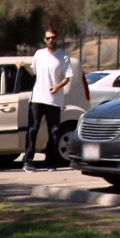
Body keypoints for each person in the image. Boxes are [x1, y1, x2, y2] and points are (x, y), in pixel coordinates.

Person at [24, 29, 73, 172]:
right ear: (45, 40)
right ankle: (28, 160)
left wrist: (58, 87)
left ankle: (50, 162)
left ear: (57, 38)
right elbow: (33, 71)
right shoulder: (39, 54)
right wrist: (23, 67)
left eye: (53, 38)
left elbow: (68, 76)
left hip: (54, 100)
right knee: (33, 129)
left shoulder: (63, 56)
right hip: (37, 99)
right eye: (48, 38)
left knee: (54, 132)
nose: (51, 40)